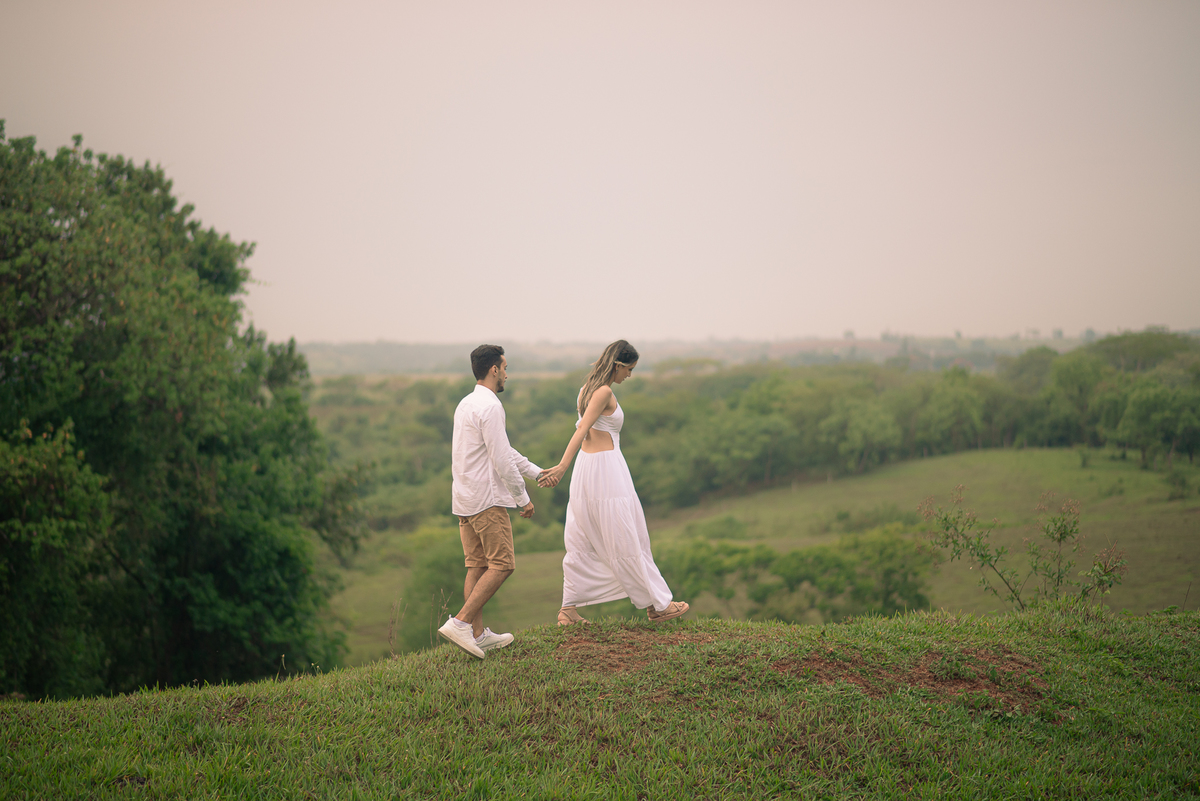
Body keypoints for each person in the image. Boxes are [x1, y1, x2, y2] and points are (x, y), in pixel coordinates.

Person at [538, 340, 689, 625]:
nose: (629, 375)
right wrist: (561, 466)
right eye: (629, 369)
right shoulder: (603, 392)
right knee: (626, 534)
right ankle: (658, 605)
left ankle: (568, 609)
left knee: (583, 535)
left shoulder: (585, 390)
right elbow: (583, 429)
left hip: (589, 469)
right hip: (605, 470)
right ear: (618, 365)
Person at [437, 344, 545, 659]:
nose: (507, 375)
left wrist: (537, 473)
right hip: (486, 500)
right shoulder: (492, 406)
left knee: (478, 564)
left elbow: (504, 451)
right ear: (494, 369)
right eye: (505, 368)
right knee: (502, 564)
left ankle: (478, 635)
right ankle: (460, 623)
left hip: (464, 498)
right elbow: (500, 458)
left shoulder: (466, 403)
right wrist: (523, 498)